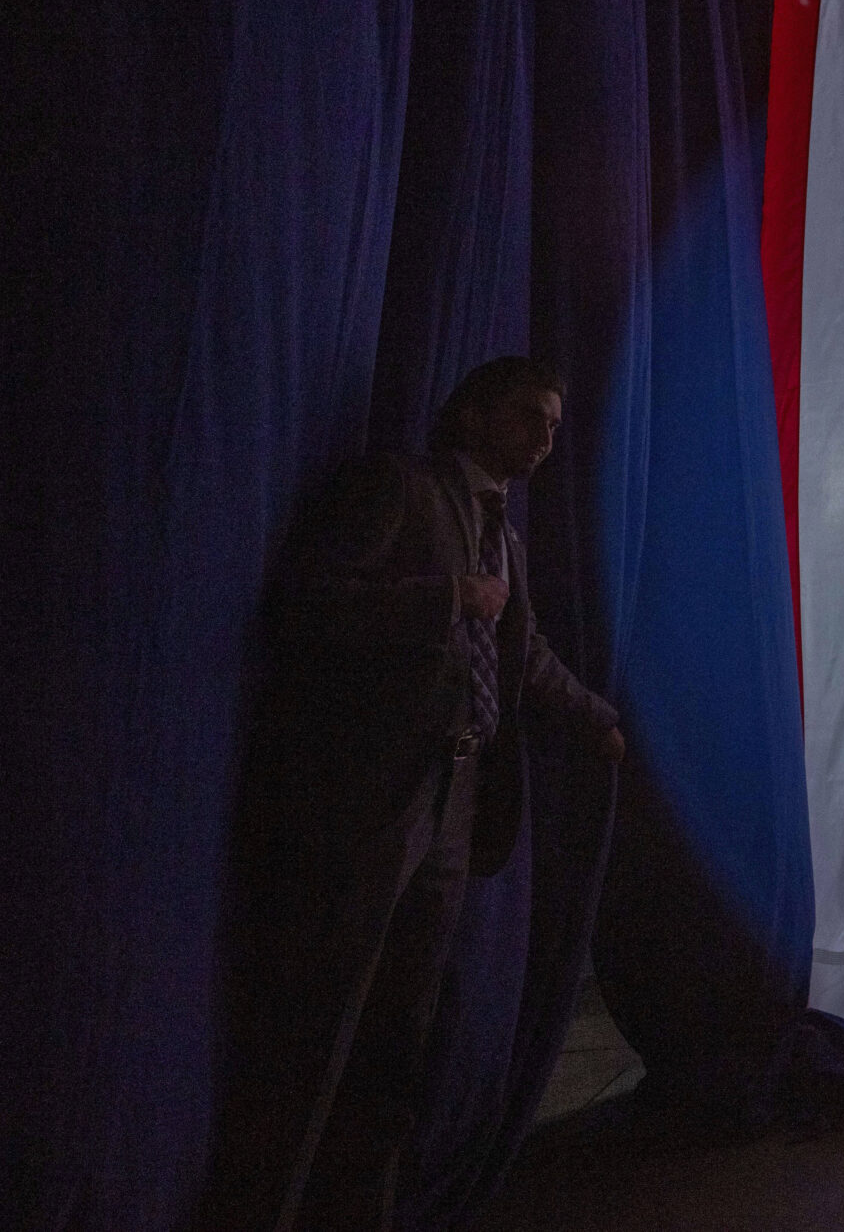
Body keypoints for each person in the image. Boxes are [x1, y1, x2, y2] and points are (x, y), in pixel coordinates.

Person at [207, 356, 623, 1232]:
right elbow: (306, 603)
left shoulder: (505, 535)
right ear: (471, 414)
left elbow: (525, 652)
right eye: (529, 417)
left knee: (401, 1035)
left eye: (554, 425)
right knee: (319, 1027)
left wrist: (595, 718)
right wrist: (446, 599)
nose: (546, 438)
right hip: (373, 803)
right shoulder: (398, 489)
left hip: (458, 803)